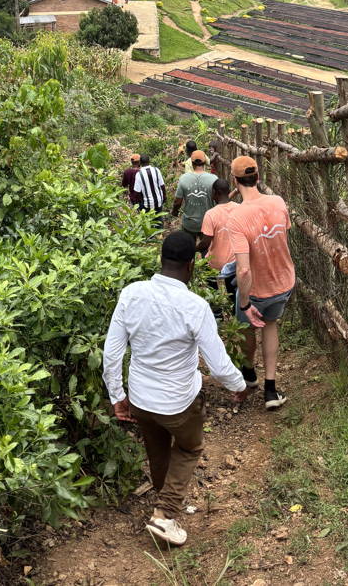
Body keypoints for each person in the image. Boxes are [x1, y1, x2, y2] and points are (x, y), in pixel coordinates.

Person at [103, 232, 248, 547]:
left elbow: (112, 353)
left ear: (161, 258)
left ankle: (164, 507)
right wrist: (239, 386)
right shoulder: (194, 306)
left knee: (157, 451)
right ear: (191, 265)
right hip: (178, 401)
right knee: (189, 447)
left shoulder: (131, 294)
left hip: (140, 398)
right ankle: (165, 514)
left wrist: (117, 396)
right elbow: (219, 364)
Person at [228, 155, 295, 410]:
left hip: (256, 289)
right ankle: (271, 389)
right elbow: (281, 236)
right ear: (258, 177)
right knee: (270, 325)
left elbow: (243, 270)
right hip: (283, 282)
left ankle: (249, 374)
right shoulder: (277, 202)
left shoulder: (237, 217)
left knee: (247, 327)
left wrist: (245, 303)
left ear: (235, 180)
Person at [199, 178, 239, 312]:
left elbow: (205, 242)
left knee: (213, 293)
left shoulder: (210, 215)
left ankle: (217, 315)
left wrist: (192, 248)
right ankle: (236, 318)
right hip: (236, 262)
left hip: (216, 264)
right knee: (234, 294)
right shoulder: (240, 209)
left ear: (216, 193)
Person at [171, 151, 217, 239]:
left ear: (191, 163)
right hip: (208, 222)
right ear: (204, 162)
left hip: (189, 223)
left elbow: (177, 202)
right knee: (206, 250)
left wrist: (175, 211)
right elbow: (218, 200)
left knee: (188, 248)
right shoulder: (214, 179)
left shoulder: (183, 178)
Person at [133, 155, 166, 227]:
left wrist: (138, 204)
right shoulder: (156, 170)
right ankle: (160, 234)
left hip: (147, 203)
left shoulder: (139, 174)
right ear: (149, 161)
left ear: (140, 163)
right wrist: (164, 197)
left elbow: (137, 192)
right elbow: (162, 186)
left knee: (149, 222)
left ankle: (151, 236)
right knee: (159, 218)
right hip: (158, 200)